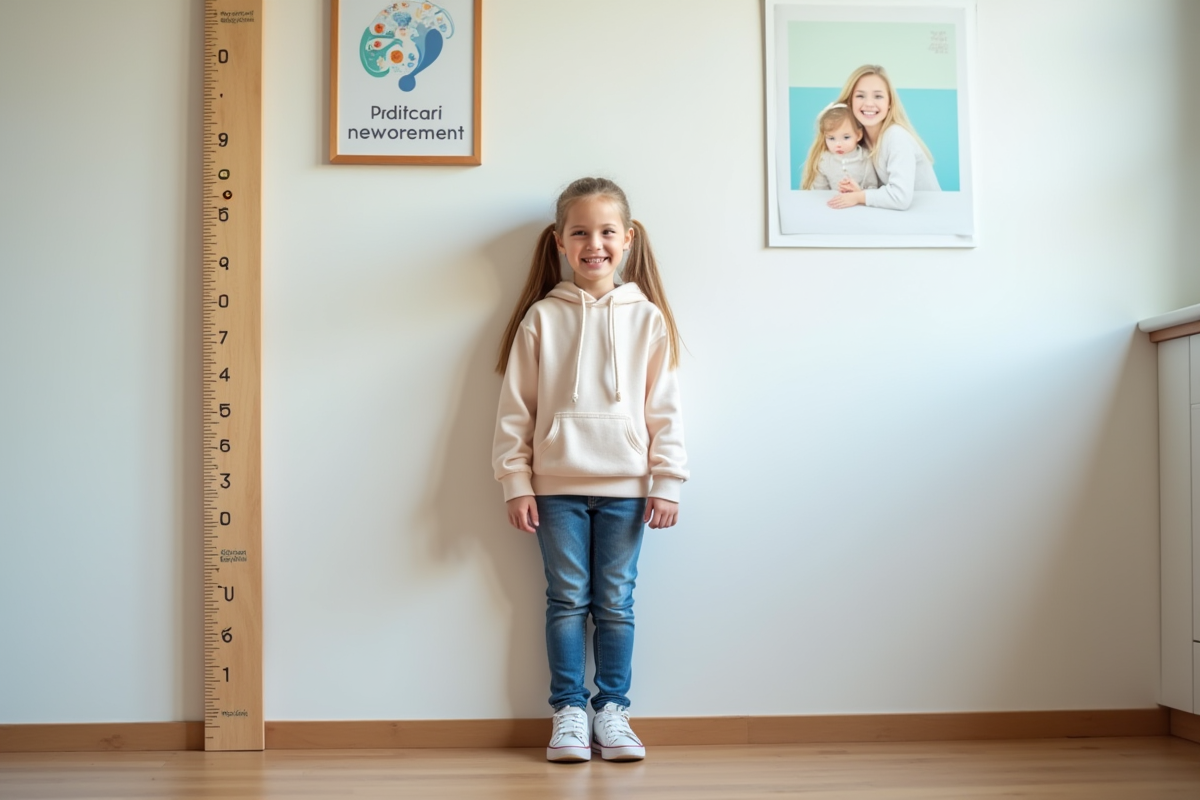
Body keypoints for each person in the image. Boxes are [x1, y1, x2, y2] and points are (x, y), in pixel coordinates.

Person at [492, 177, 688, 763]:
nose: (594, 243)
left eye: (607, 231)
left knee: (616, 603)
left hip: (629, 490)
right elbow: (515, 409)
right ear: (559, 241)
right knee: (567, 599)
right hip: (555, 491)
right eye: (580, 231)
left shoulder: (647, 319)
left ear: (627, 240)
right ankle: (569, 712)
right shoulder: (541, 320)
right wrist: (516, 481)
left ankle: (613, 711)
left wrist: (667, 480)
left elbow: (665, 408)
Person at [826, 64, 940, 210]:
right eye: (860, 96)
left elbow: (900, 197)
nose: (868, 103)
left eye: (878, 96)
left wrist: (859, 197)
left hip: (932, 218)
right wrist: (858, 191)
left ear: (889, 104)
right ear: (850, 102)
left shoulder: (896, 136)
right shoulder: (861, 140)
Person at [800, 102, 879, 192]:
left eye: (846, 137)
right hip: (833, 204)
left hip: (859, 203)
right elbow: (819, 192)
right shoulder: (824, 160)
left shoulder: (866, 157)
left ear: (858, 135)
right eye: (831, 138)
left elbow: (873, 187)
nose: (838, 144)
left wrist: (858, 192)